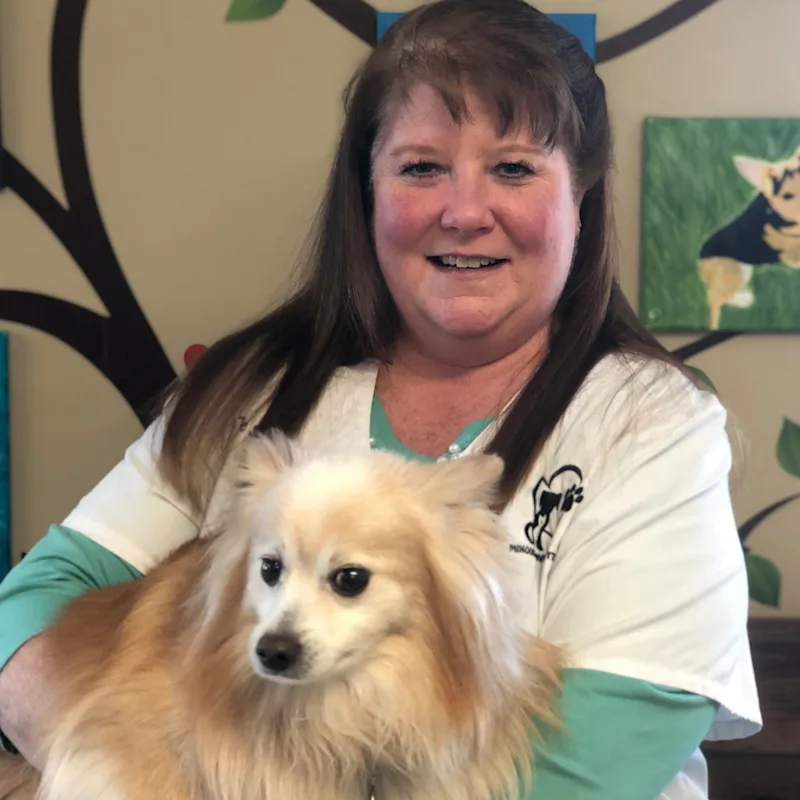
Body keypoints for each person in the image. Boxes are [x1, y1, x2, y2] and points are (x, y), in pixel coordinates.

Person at [0, 0, 761, 796]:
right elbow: (31, 608)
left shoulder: (652, 426)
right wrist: (128, 763)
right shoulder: (250, 387)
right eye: (422, 167)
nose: (464, 213)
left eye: (512, 168)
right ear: (367, 193)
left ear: (582, 196)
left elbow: (595, 767)